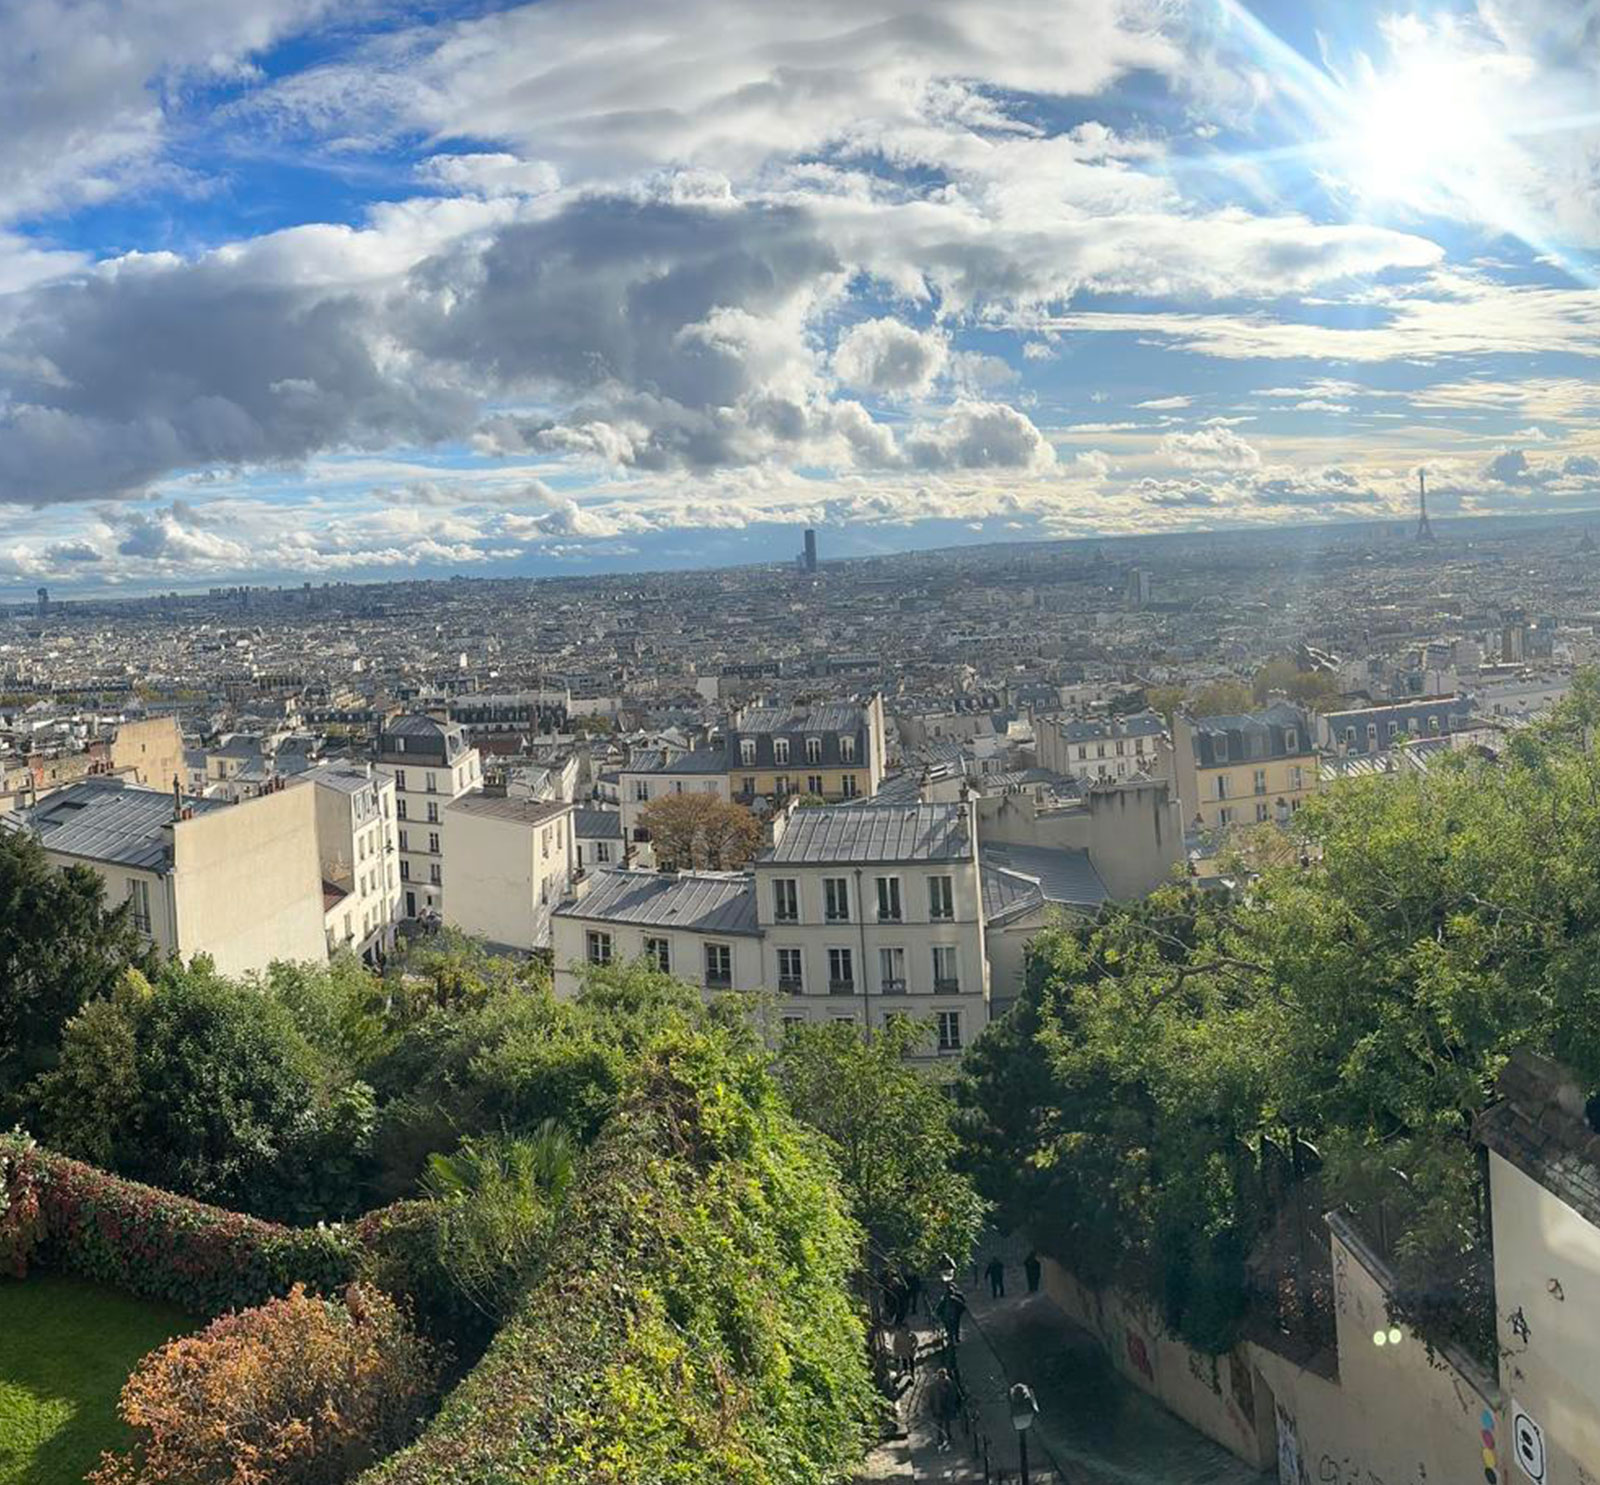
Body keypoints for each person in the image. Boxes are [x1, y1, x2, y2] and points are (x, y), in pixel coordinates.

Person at [927, 1367, 959, 1450]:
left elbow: (953, 1395)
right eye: (941, 1376)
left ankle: (947, 1436)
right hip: (939, 1407)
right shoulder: (935, 1385)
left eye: (943, 1376)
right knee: (940, 1423)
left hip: (947, 1406)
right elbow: (932, 1397)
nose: (942, 1379)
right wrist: (932, 1408)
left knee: (946, 1423)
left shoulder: (949, 1384)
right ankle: (941, 1438)